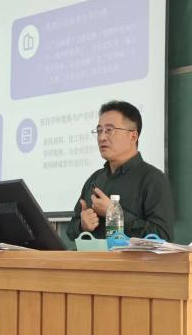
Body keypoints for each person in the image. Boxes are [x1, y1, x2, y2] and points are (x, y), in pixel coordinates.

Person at [66, 100, 174, 241]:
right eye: (99, 131)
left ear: (133, 136)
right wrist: (82, 225)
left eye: (109, 130)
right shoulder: (95, 179)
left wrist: (115, 214)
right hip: (94, 256)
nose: (102, 137)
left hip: (131, 257)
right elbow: (70, 231)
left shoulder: (153, 179)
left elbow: (163, 236)